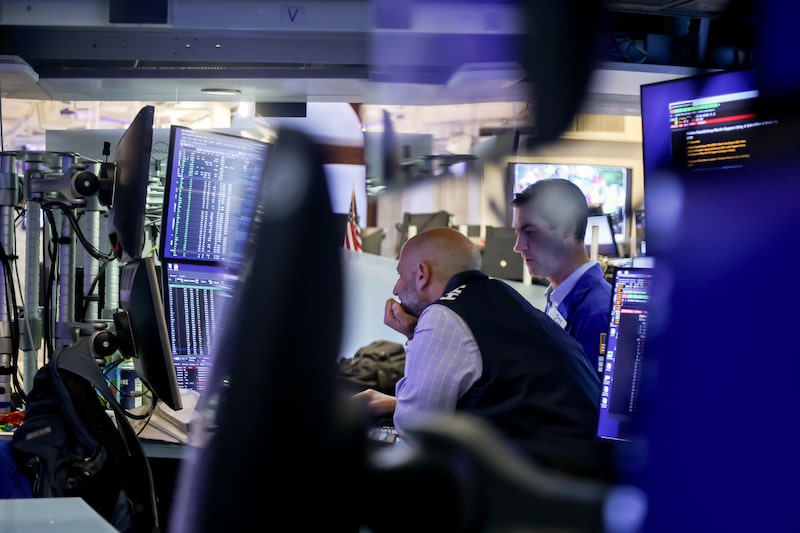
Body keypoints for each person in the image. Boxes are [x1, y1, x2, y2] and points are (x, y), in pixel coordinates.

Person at [355, 227, 613, 479]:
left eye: (400, 275)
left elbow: (415, 428)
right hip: (586, 473)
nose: (396, 289)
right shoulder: (501, 296)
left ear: (422, 274)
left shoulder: (443, 315)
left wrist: (415, 335)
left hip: (550, 489)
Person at [511, 179, 612, 379]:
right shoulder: (559, 297)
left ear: (567, 228)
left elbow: (587, 405)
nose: (518, 246)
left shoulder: (597, 313)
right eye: (517, 233)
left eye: (530, 232)